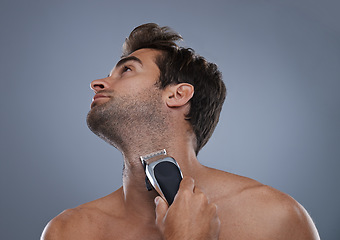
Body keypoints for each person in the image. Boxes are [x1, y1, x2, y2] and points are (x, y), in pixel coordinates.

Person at [41, 23, 320, 240]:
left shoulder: (274, 218)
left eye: (126, 71)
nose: (97, 82)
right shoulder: (69, 231)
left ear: (177, 94)